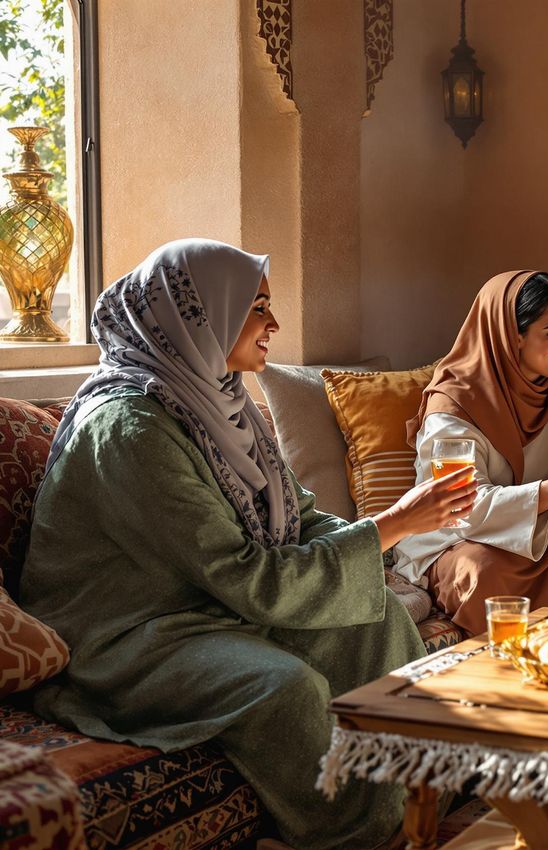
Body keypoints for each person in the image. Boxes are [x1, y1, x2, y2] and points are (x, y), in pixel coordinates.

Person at [20, 239, 476, 850]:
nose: (274, 323)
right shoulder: (130, 427)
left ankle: (418, 805)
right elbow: (246, 575)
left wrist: (387, 538)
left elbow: (301, 518)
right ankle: (356, 836)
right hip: (132, 632)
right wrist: (391, 524)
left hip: (212, 604)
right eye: (257, 306)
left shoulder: (221, 402)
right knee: (282, 689)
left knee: (380, 618)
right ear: (199, 316)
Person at [395, 270, 548, 633]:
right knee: (484, 571)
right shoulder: (454, 402)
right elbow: (462, 508)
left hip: (544, 530)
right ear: (512, 336)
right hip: (459, 538)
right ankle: (498, 673)